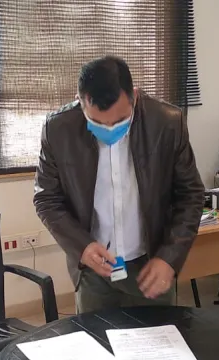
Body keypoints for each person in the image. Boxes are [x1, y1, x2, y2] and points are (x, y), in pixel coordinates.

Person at [34, 56, 204, 313]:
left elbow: (191, 195)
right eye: (98, 122)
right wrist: (81, 246)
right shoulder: (59, 129)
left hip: (151, 264)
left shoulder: (167, 122)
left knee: (158, 335)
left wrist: (169, 257)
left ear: (134, 95)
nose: (110, 129)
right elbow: (46, 199)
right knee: (95, 336)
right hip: (94, 268)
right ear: (80, 101)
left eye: (120, 120)